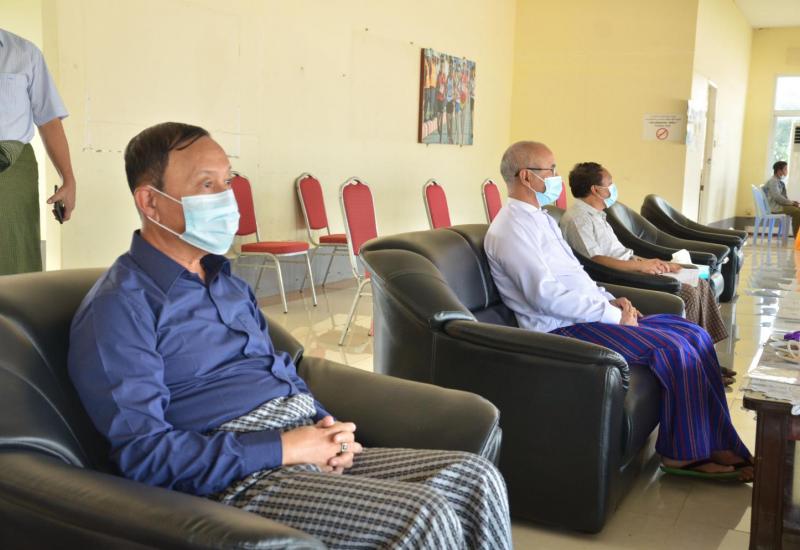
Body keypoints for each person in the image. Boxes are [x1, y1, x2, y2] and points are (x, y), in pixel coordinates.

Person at [68, 122, 511, 549]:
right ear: (150, 201)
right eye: (207, 185)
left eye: (227, 182)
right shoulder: (120, 306)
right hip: (239, 476)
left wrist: (328, 431)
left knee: (475, 478)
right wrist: (283, 448)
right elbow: (145, 454)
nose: (226, 198)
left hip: (302, 440)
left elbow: (278, 372)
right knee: (423, 514)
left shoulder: (226, 281)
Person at [485, 140, 752, 481]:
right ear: (526, 176)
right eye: (550, 170)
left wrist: (610, 300)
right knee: (674, 348)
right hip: (560, 329)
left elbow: (576, 275)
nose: (556, 177)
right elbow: (545, 297)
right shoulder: (510, 228)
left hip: (587, 314)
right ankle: (683, 454)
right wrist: (614, 317)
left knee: (693, 334)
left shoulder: (541, 219)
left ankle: (717, 441)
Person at [560, 162, 732, 352]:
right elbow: (596, 261)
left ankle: (705, 348)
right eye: (610, 184)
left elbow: (620, 252)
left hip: (632, 267)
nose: (613, 188)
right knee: (688, 293)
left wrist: (653, 263)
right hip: (619, 276)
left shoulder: (597, 214)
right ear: (596, 189)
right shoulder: (578, 218)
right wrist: (641, 267)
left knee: (699, 280)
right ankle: (691, 351)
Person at [0, 28, 77, 275]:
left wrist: (68, 179)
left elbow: (49, 120)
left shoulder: (25, 53)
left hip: (13, 175)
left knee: (15, 260)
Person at [762, 160, 799, 236]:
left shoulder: (778, 181)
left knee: (798, 209)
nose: (787, 171)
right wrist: (791, 203)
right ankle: (797, 238)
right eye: (785, 169)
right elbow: (777, 197)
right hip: (775, 207)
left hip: (777, 205)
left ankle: (798, 237)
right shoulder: (773, 181)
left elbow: (781, 197)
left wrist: (791, 202)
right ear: (779, 171)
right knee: (797, 212)